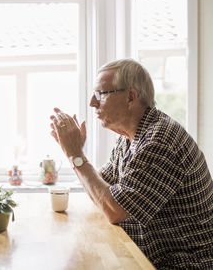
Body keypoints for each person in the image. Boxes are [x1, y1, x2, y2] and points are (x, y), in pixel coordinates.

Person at [50, 59, 213, 268]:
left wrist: (75, 154)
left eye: (101, 94)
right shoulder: (130, 137)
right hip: (150, 258)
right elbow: (102, 192)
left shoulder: (159, 140)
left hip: (181, 264)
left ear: (130, 97)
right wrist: (75, 154)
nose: (92, 102)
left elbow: (114, 209)